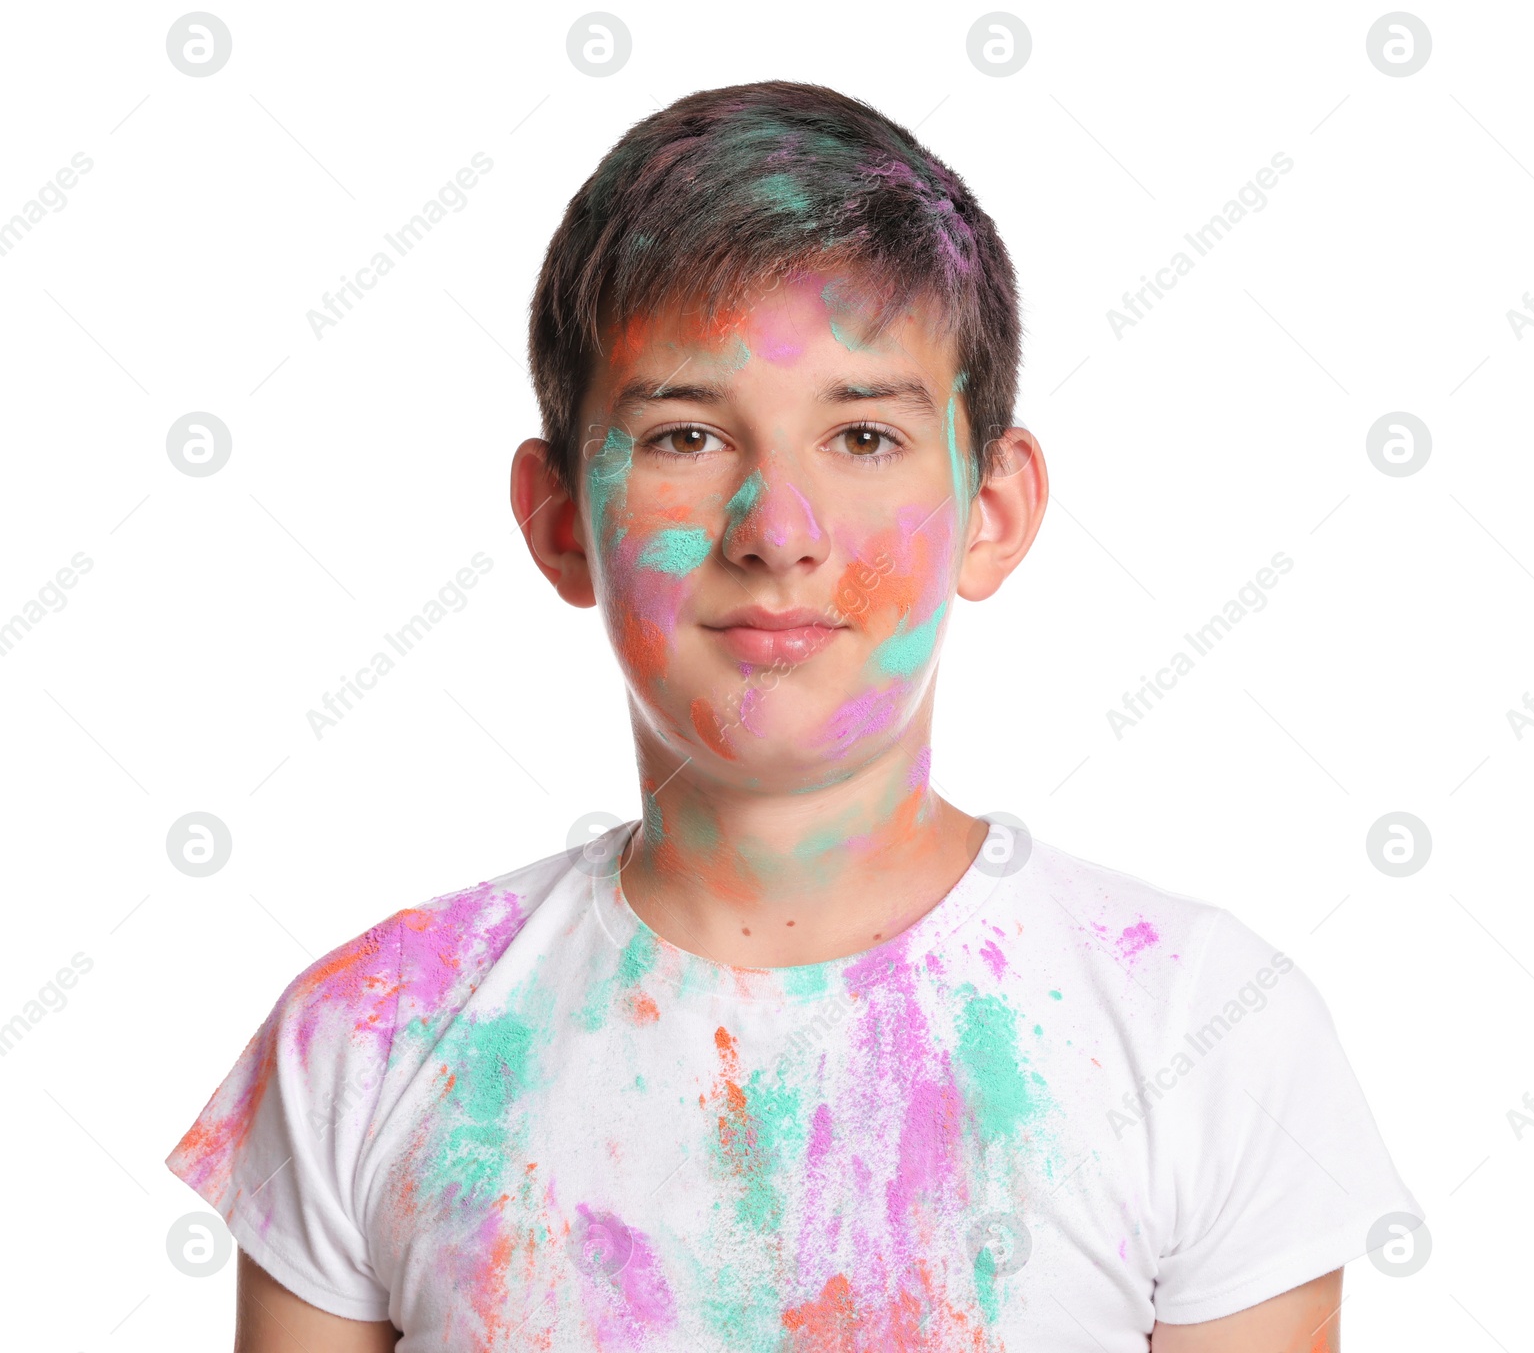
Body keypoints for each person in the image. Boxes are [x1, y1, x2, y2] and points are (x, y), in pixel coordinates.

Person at [168, 80, 1419, 1352]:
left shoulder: (1201, 1029)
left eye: (864, 437)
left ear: (991, 510)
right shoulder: (373, 1036)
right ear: (558, 520)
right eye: (686, 436)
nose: (777, 532)